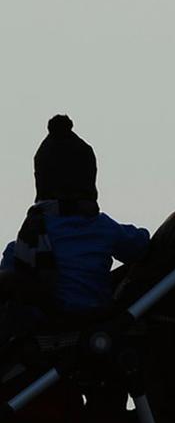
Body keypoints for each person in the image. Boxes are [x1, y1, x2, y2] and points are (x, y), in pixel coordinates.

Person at [0, 115, 150, 318]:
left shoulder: (23, 244)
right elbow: (140, 245)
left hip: (41, 334)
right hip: (96, 329)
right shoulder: (103, 228)